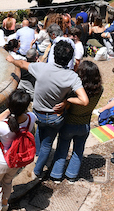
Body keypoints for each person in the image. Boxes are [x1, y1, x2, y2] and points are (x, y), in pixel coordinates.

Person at [5, 41, 89, 179]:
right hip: (55, 117)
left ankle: (35, 157)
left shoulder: (41, 68)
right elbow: (84, 101)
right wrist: (67, 100)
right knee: (47, 144)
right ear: (69, 59)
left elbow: (22, 64)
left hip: (38, 114)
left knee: (39, 133)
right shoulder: (72, 77)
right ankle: (37, 171)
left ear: (54, 55)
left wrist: (12, 60)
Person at [0, 89, 36, 211]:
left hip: (0, 160)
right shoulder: (31, 118)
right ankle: (5, 204)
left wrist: (8, 110)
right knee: (7, 181)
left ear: (10, 105)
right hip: (17, 159)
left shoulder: (3, 126)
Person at [50, 60, 103, 183]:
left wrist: (67, 100)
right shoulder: (100, 90)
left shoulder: (73, 91)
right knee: (78, 151)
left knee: (62, 149)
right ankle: (72, 176)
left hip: (68, 123)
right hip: (84, 124)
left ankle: (56, 175)